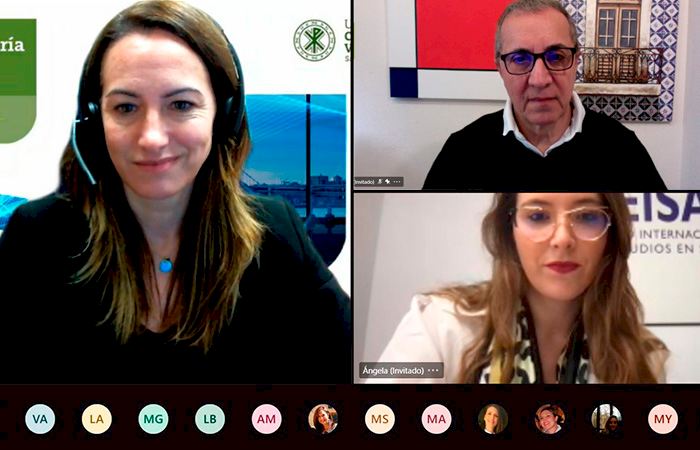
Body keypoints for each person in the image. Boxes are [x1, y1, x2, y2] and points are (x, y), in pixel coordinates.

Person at [0, 0, 350, 384]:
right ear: (95, 121)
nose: (151, 137)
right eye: (125, 107)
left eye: (181, 104)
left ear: (224, 116)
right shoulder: (38, 237)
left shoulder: (277, 236)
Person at [378, 193, 668, 383]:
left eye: (586, 216)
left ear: (611, 236)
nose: (562, 239)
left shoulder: (642, 356)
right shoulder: (437, 326)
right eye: (538, 216)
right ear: (509, 232)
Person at [423, 0, 666, 191]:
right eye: (520, 59)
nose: (539, 79)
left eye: (557, 57)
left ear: (576, 61)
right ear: (500, 68)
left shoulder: (622, 149)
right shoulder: (461, 152)